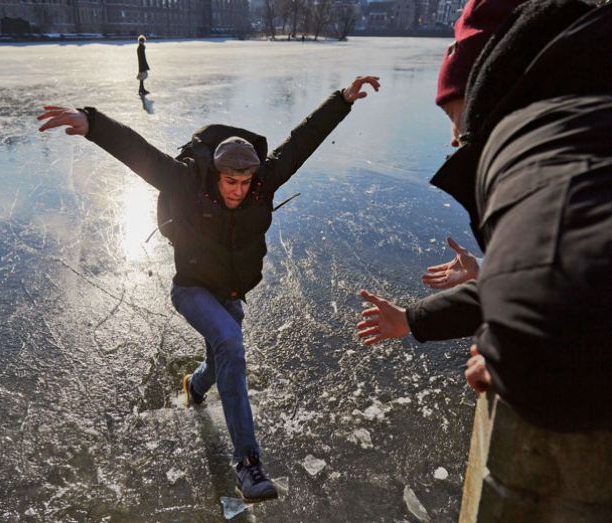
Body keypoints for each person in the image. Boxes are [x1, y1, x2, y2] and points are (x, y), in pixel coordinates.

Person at [37, 75, 381, 502]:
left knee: (222, 354)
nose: (238, 192)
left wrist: (342, 100)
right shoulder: (187, 182)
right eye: (229, 183)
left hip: (231, 293)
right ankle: (249, 466)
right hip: (192, 290)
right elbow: (140, 154)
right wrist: (93, 123)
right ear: (215, 174)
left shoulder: (261, 183)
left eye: (244, 183)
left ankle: (195, 388)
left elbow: (301, 142)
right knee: (230, 343)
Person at [357, 0, 612, 432]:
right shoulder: (586, 98)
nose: (453, 138)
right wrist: (489, 276)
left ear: (485, 86)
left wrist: (502, 354)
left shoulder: (540, 139)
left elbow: (558, 352)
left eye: (451, 112)